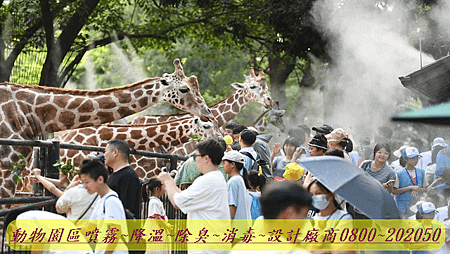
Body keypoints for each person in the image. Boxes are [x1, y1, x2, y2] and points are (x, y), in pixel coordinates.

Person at [157, 138, 230, 220]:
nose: (194, 160)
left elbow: (177, 203)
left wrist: (167, 181)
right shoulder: (216, 177)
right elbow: (183, 198)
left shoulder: (207, 180)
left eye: (195, 156)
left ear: (206, 158)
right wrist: (171, 181)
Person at [80, 159, 128, 254]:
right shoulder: (101, 201)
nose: (84, 186)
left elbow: (115, 233)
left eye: (87, 182)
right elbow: (90, 228)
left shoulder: (111, 201)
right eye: (83, 182)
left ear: (100, 179)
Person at [104, 139, 142, 219]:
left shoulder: (129, 176)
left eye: (105, 151)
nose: (104, 155)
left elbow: (127, 208)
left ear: (115, 152)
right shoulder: (114, 175)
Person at [393, 147, 428, 218]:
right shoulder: (398, 174)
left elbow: (426, 188)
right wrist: (410, 188)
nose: (415, 161)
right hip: (402, 210)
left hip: (418, 209)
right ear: (405, 159)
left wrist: (419, 189)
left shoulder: (421, 172)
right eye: (412, 158)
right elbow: (394, 191)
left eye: (417, 158)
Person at [222, 151, 251, 220]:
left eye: (224, 163)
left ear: (232, 164)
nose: (223, 166)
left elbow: (232, 206)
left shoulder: (233, 181)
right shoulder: (239, 179)